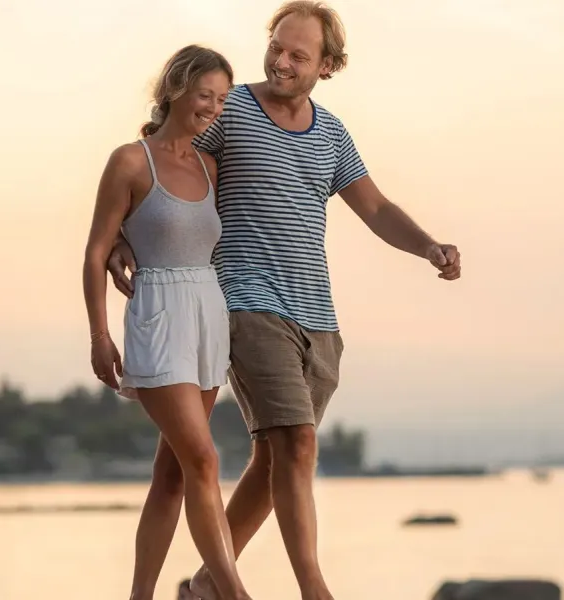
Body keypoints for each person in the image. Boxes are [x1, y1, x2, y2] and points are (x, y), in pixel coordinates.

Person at [109, 3, 462, 599]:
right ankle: (313, 588)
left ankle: (202, 589)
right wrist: (123, 231)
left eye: (299, 55)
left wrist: (428, 246)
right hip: (245, 303)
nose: (282, 61)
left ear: (328, 65)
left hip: (317, 318)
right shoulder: (232, 109)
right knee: (297, 442)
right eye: (277, 47)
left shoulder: (332, 134)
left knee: (266, 462)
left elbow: (373, 207)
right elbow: (163, 154)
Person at [82, 44, 253, 600]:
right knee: (203, 458)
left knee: (174, 474)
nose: (213, 108)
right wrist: (100, 334)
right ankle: (234, 593)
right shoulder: (131, 161)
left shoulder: (211, 165)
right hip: (157, 313)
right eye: (206, 95)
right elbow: (94, 251)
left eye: (222, 100)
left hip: (208, 315)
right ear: (176, 88)